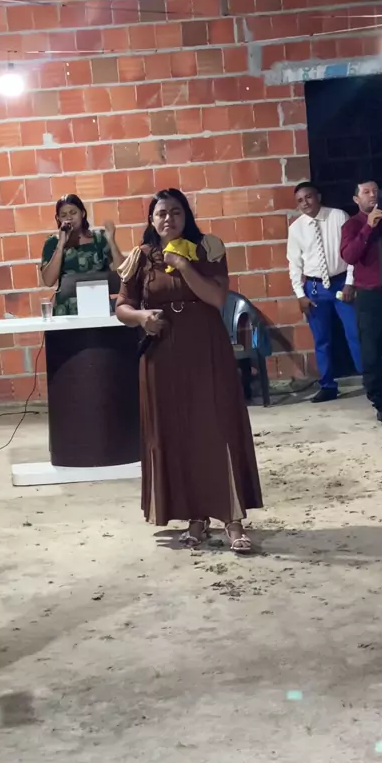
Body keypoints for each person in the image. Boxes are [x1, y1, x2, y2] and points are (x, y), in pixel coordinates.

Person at [115, 188, 263, 554]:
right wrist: (141, 317)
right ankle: (196, 518)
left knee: (216, 426)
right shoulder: (140, 257)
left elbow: (216, 297)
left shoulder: (207, 249)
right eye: (161, 213)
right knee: (177, 433)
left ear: (187, 215)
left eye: (176, 212)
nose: (169, 218)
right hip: (161, 356)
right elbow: (122, 306)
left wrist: (183, 265)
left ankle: (232, 519)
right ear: (152, 219)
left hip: (206, 350)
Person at [287, 181, 362, 403]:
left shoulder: (338, 216)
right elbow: (294, 264)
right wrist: (300, 295)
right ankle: (328, 386)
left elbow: (352, 252)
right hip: (315, 288)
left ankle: (370, 379)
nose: (305, 203)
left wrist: (350, 282)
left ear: (318, 196)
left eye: (308, 197)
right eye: (300, 201)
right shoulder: (296, 228)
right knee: (322, 339)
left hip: (341, 283)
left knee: (355, 333)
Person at [341, 180, 382, 424]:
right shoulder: (352, 225)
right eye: (366, 192)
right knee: (371, 352)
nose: (372, 195)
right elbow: (349, 255)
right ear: (357, 199)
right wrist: (368, 227)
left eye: (375, 190)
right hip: (370, 296)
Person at [41, 194, 123, 315]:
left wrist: (111, 240)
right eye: (63, 215)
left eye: (73, 213)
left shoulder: (99, 239)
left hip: (98, 307)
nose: (69, 218)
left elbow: (121, 273)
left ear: (83, 213)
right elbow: (48, 281)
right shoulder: (53, 242)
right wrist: (61, 244)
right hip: (66, 310)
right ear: (58, 219)